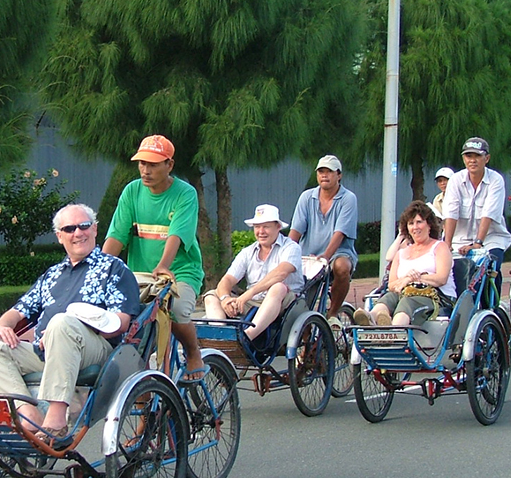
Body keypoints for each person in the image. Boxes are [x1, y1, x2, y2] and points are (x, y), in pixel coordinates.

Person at [0, 204, 140, 443]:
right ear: (60, 237)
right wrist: (3, 326)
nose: (78, 233)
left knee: (62, 323)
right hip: (45, 350)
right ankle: (27, 411)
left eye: (84, 226)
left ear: (94, 230)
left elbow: (120, 323)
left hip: (95, 350)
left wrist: (73, 322)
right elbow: (17, 311)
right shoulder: (52, 274)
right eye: (69, 229)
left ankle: (57, 417)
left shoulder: (114, 268)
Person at [102, 135, 206, 382]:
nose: (145, 170)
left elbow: (177, 234)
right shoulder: (131, 191)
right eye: (142, 164)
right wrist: (99, 268)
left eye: (153, 164)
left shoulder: (185, 193)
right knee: (130, 329)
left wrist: (163, 265)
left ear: (169, 165)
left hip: (180, 271)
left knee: (177, 310)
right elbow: (117, 235)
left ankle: (193, 353)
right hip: (140, 274)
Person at [203, 204, 304, 346]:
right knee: (211, 296)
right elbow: (227, 279)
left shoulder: (291, 247)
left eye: (266, 227)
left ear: (278, 227)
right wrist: (225, 298)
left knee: (278, 287)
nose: (261, 231)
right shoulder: (248, 252)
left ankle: (247, 337)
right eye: (257, 227)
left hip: (286, 303)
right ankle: (222, 338)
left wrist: (247, 294)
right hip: (254, 302)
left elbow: (280, 273)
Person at [353, 201, 455, 326]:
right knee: (389, 297)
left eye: (419, 222)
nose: (415, 227)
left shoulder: (439, 247)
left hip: (435, 297)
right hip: (404, 292)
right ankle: (372, 319)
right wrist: (406, 279)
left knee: (407, 302)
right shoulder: (401, 253)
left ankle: (394, 331)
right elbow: (391, 285)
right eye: (411, 223)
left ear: (429, 225)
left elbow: (441, 278)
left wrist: (412, 279)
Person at [287, 154, 358, 328]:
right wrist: (285, 253)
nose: (324, 175)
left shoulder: (348, 199)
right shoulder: (306, 197)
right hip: (308, 254)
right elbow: (296, 231)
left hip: (337, 254)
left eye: (329, 171)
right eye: (321, 172)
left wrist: (325, 257)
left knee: (342, 267)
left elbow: (340, 233)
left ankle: (332, 313)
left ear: (339, 175)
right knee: (300, 299)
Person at [442, 137, 511, 289]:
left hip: (491, 238)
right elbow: (451, 212)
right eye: (469, 156)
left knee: (491, 268)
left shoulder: (496, 180)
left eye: (477, 156)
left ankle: (492, 307)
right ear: (463, 158)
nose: (472, 160)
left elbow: (489, 213)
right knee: (449, 272)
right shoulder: (455, 180)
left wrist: (477, 243)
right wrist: (447, 244)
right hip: (459, 240)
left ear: (486, 158)